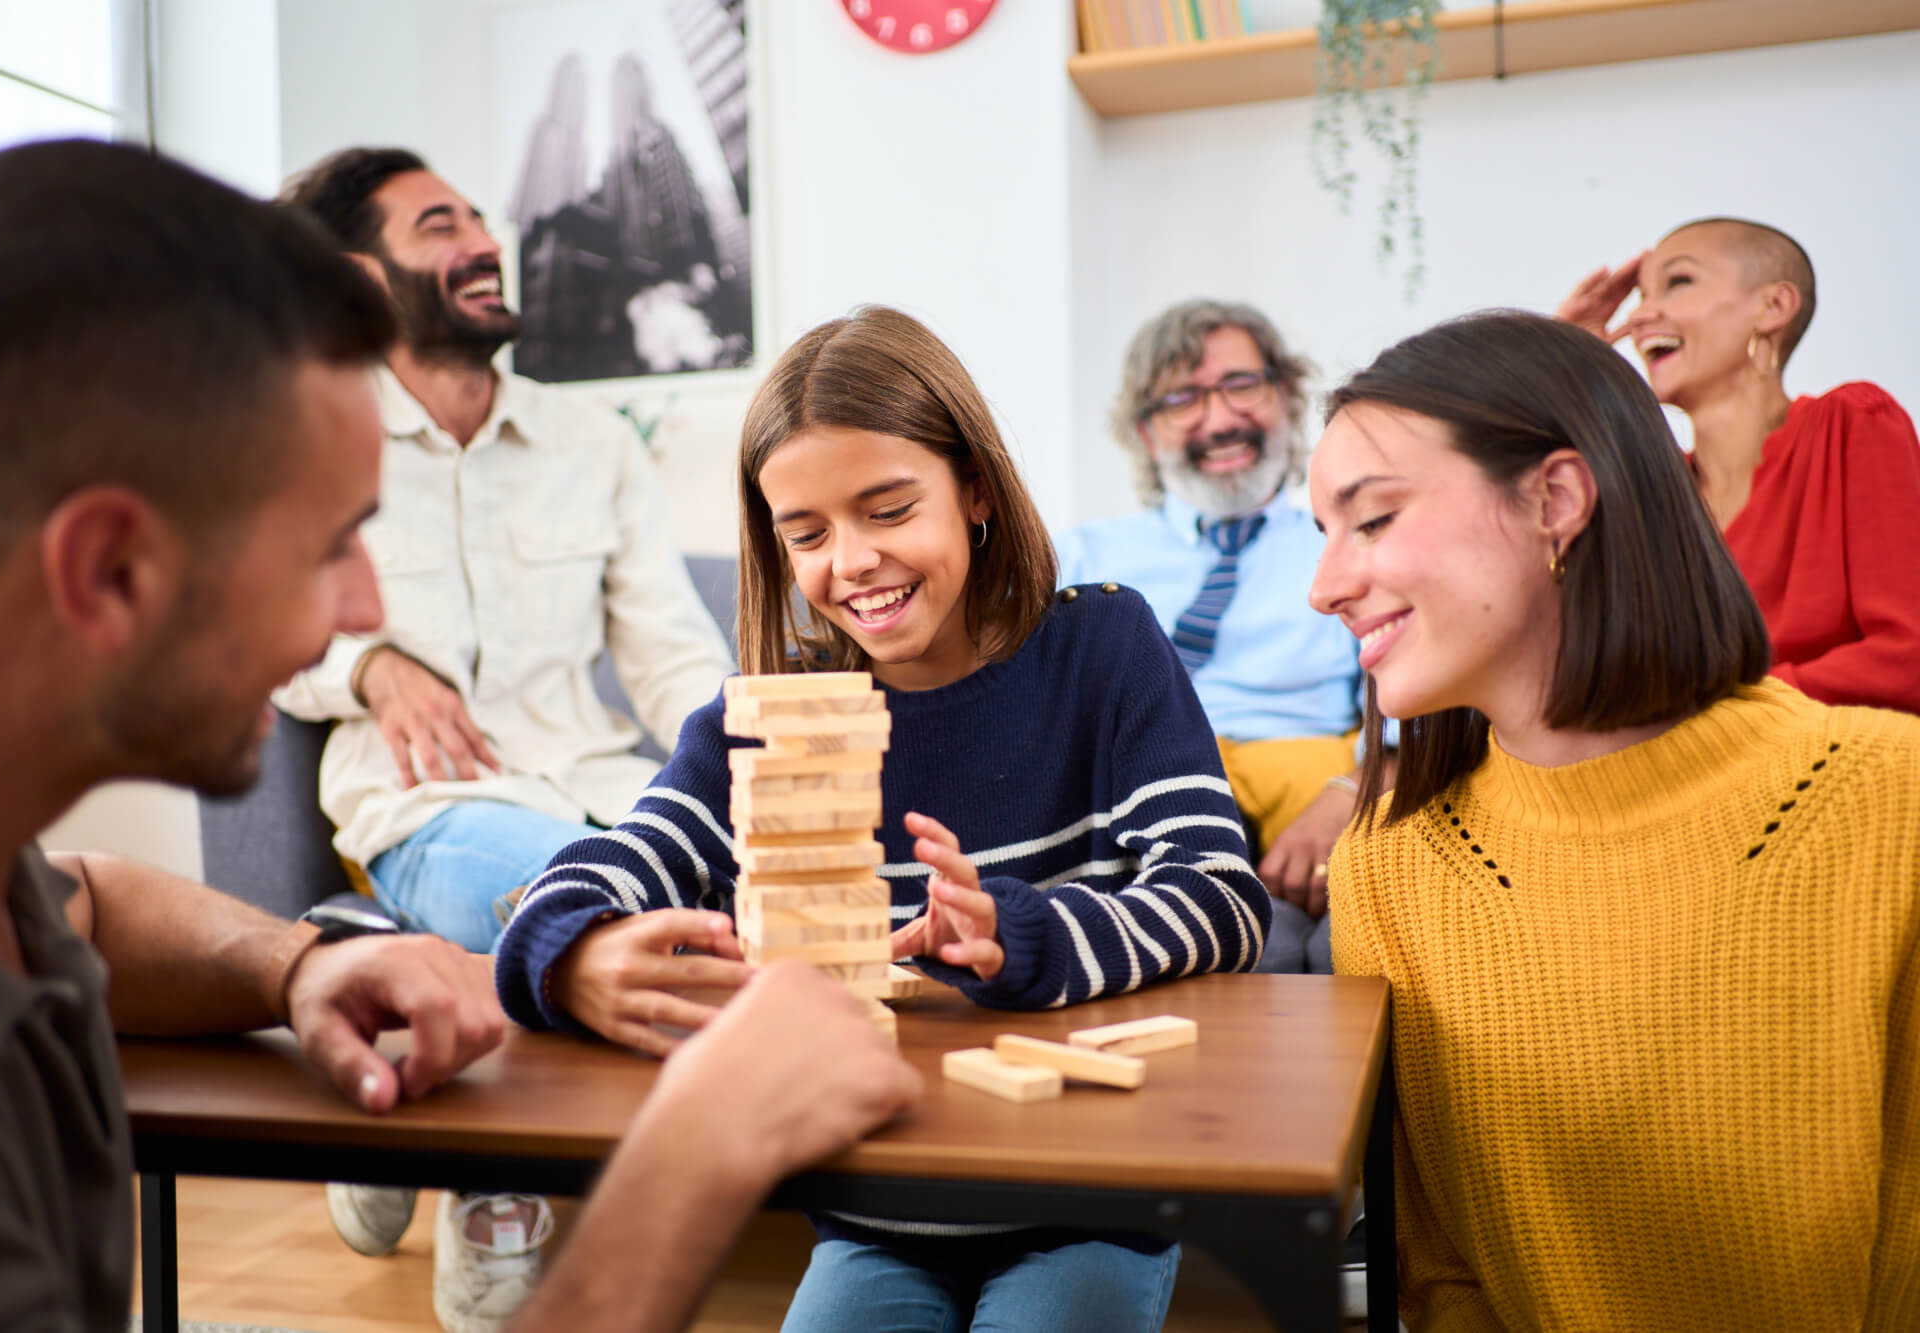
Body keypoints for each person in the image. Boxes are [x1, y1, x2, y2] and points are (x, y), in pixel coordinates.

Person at [0, 137, 917, 1333]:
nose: (362, 607)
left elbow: (91, 898)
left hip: (589, 787)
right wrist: (695, 1160)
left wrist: (300, 968)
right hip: (439, 812)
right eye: (328, 543)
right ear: (110, 568)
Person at [495, 305, 1271, 1332]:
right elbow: (606, 865)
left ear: (975, 489)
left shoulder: (1103, 646)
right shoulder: (765, 716)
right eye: (805, 534)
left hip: (1087, 1206)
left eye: (887, 510)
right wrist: (569, 956)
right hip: (873, 1215)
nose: (849, 562)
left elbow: (1220, 896)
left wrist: (1019, 931)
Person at [1309, 310, 1919, 1330]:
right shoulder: (1387, 868)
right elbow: (1439, 1273)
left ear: (1554, 499)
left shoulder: (1885, 799)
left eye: (1369, 520)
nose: (1324, 586)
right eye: (1321, 536)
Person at [272, 146, 737, 1325]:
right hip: (430, 809)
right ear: (361, 276)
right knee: (573, 904)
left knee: (704, 908)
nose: (484, 240)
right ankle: (497, 1187)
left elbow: (671, 650)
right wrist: (369, 665)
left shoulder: (594, 447)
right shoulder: (310, 428)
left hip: (600, 785)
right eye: (439, 225)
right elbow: (258, 614)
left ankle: (386, 1070)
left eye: (481, 217)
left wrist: (746, 767)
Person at [1057, 300, 1383, 974]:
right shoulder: (1078, 559)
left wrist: (1352, 790)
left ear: (1285, 397)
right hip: (1136, 834)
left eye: (1242, 384)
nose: (1221, 417)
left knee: (1333, 950)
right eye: (1183, 397)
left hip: (1312, 827)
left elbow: (1413, 695)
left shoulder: (1350, 543)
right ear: (1148, 434)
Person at [1558, 218, 1920, 714]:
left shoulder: (1852, 424)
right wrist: (1564, 370)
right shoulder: (1649, 498)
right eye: (1641, 296)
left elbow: (1908, 657)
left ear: (1773, 306)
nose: (1641, 316)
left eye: (1678, 282)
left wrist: (1710, 713)